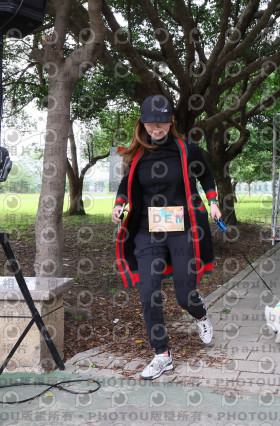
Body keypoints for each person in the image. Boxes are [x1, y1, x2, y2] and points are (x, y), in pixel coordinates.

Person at [111, 94, 222, 380]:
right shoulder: (136, 155)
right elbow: (126, 184)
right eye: (150, 123)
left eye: (161, 122)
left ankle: (200, 313)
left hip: (182, 228)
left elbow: (206, 177)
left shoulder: (187, 150)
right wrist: (119, 204)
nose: (156, 128)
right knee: (149, 294)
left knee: (185, 295)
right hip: (147, 231)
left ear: (170, 121)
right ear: (143, 123)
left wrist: (213, 202)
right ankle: (162, 354)